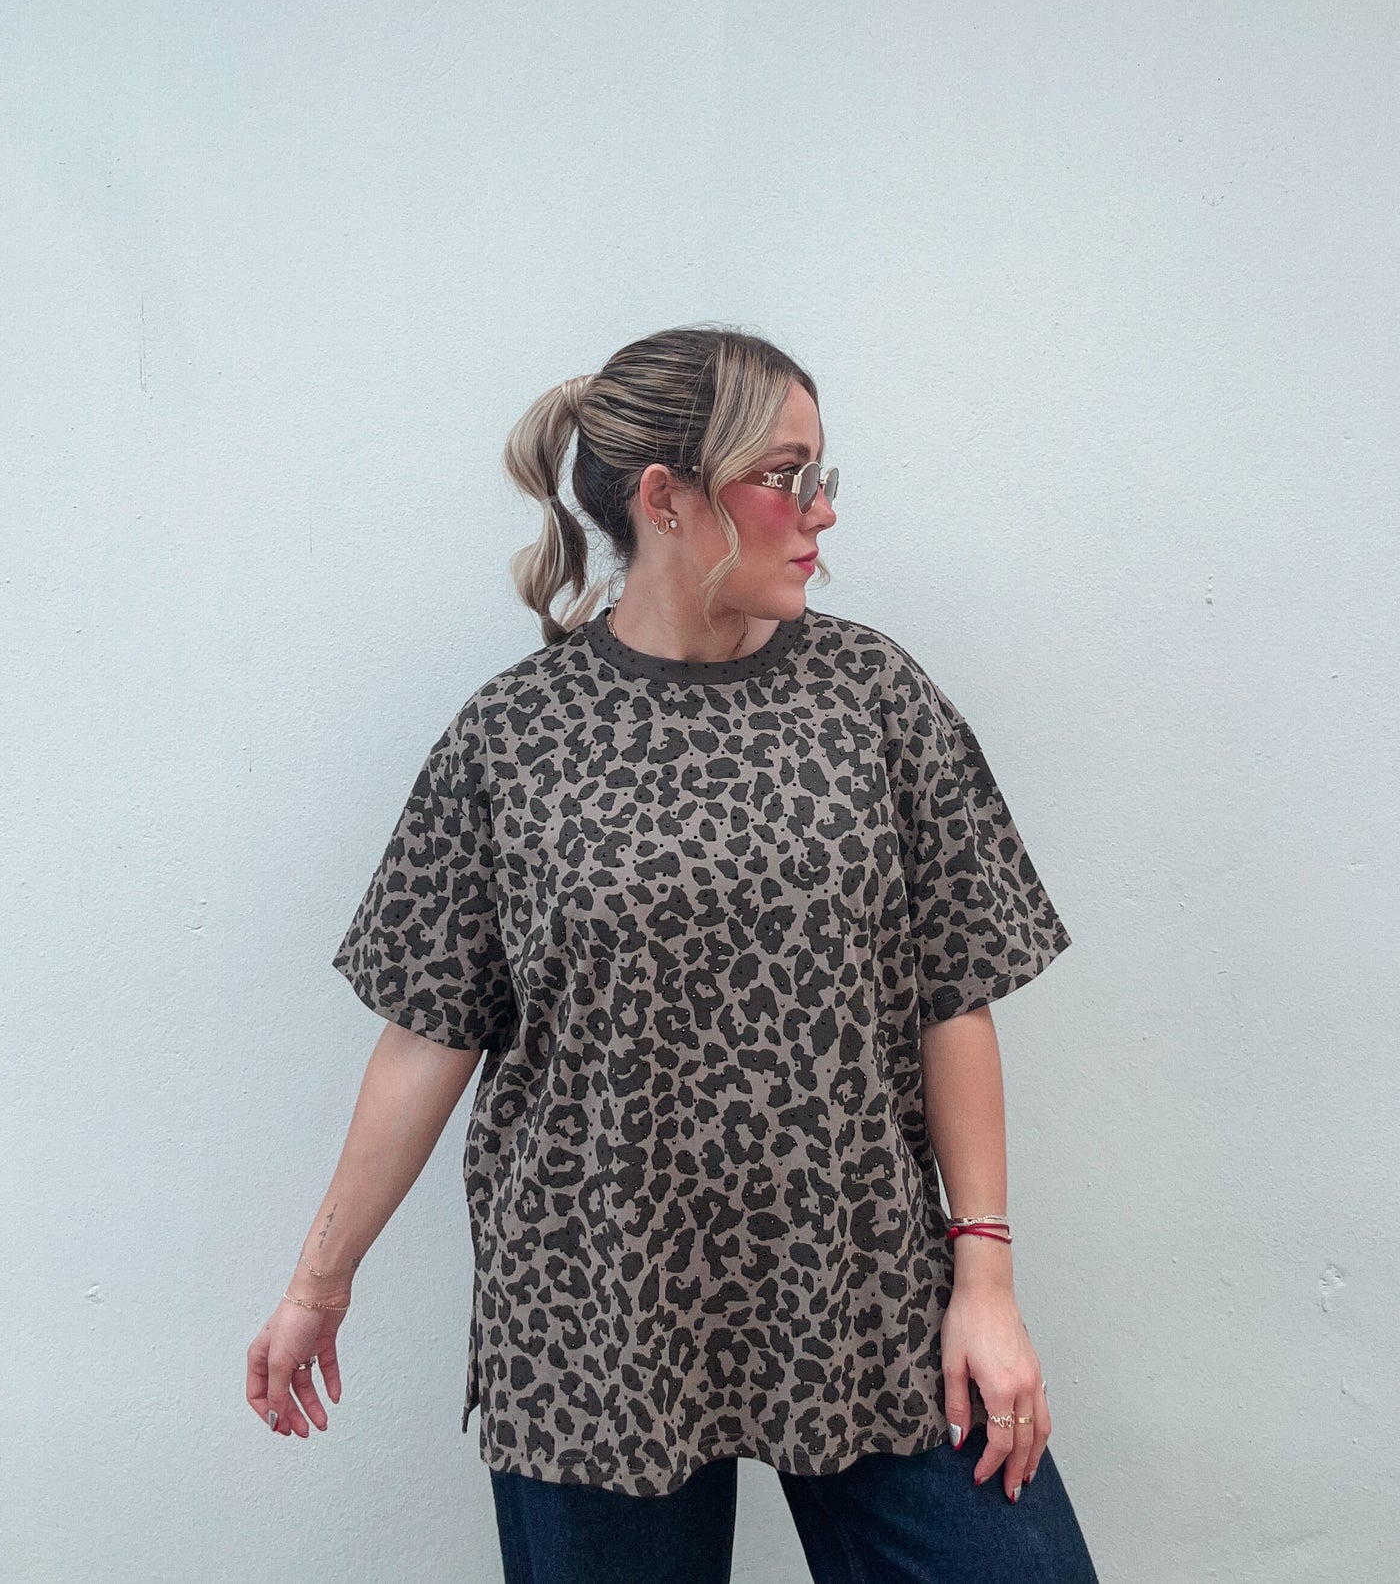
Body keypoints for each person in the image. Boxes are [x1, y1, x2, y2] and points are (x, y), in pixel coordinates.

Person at [246, 325, 1100, 1582]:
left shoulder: (872, 696)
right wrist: (318, 1284)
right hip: (592, 1323)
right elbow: (427, 1035)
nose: (820, 511)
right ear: (665, 497)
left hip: (864, 1293)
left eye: (821, 476)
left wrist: (984, 1281)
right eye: (785, 476)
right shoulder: (513, 738)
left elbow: (951, 996)